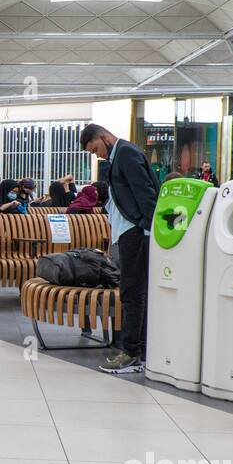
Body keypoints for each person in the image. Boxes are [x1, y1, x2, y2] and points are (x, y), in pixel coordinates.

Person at [81, 122, 158, 375]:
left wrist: (147, 228)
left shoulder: (126, 153)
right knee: (134, 291)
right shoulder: (120, 154)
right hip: (130, 232)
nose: (97, 155)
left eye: (95, 149)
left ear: (103, 137)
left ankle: (132, 353)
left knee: (132, 292)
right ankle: (140, 351)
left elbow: (145, 192)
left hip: (135, 232)